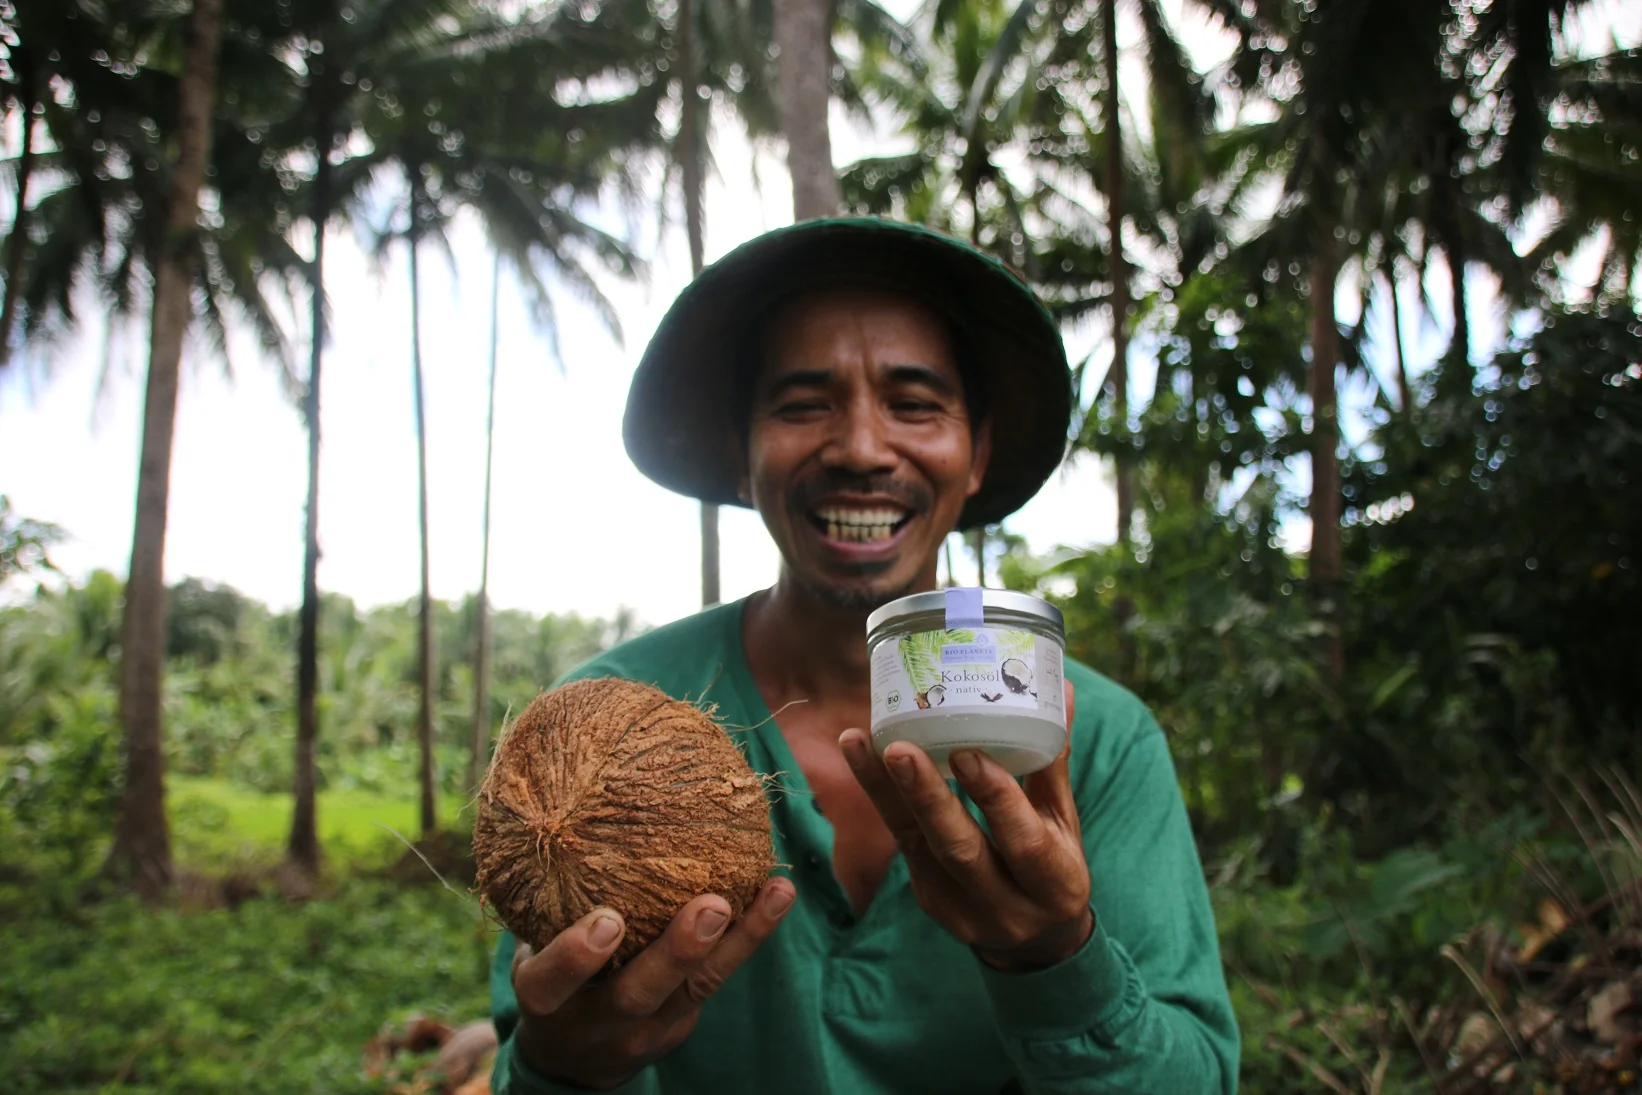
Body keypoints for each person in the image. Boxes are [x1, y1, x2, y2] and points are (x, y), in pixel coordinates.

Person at [488, 218, 1240, 1094]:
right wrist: (563, 1067)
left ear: (977, 451)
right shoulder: (600, 727)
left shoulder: (1099, 739)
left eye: (915, 404)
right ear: (741, 453)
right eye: (803, 404)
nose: (859, 448)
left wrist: (1054, 956)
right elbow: (541, 1047)